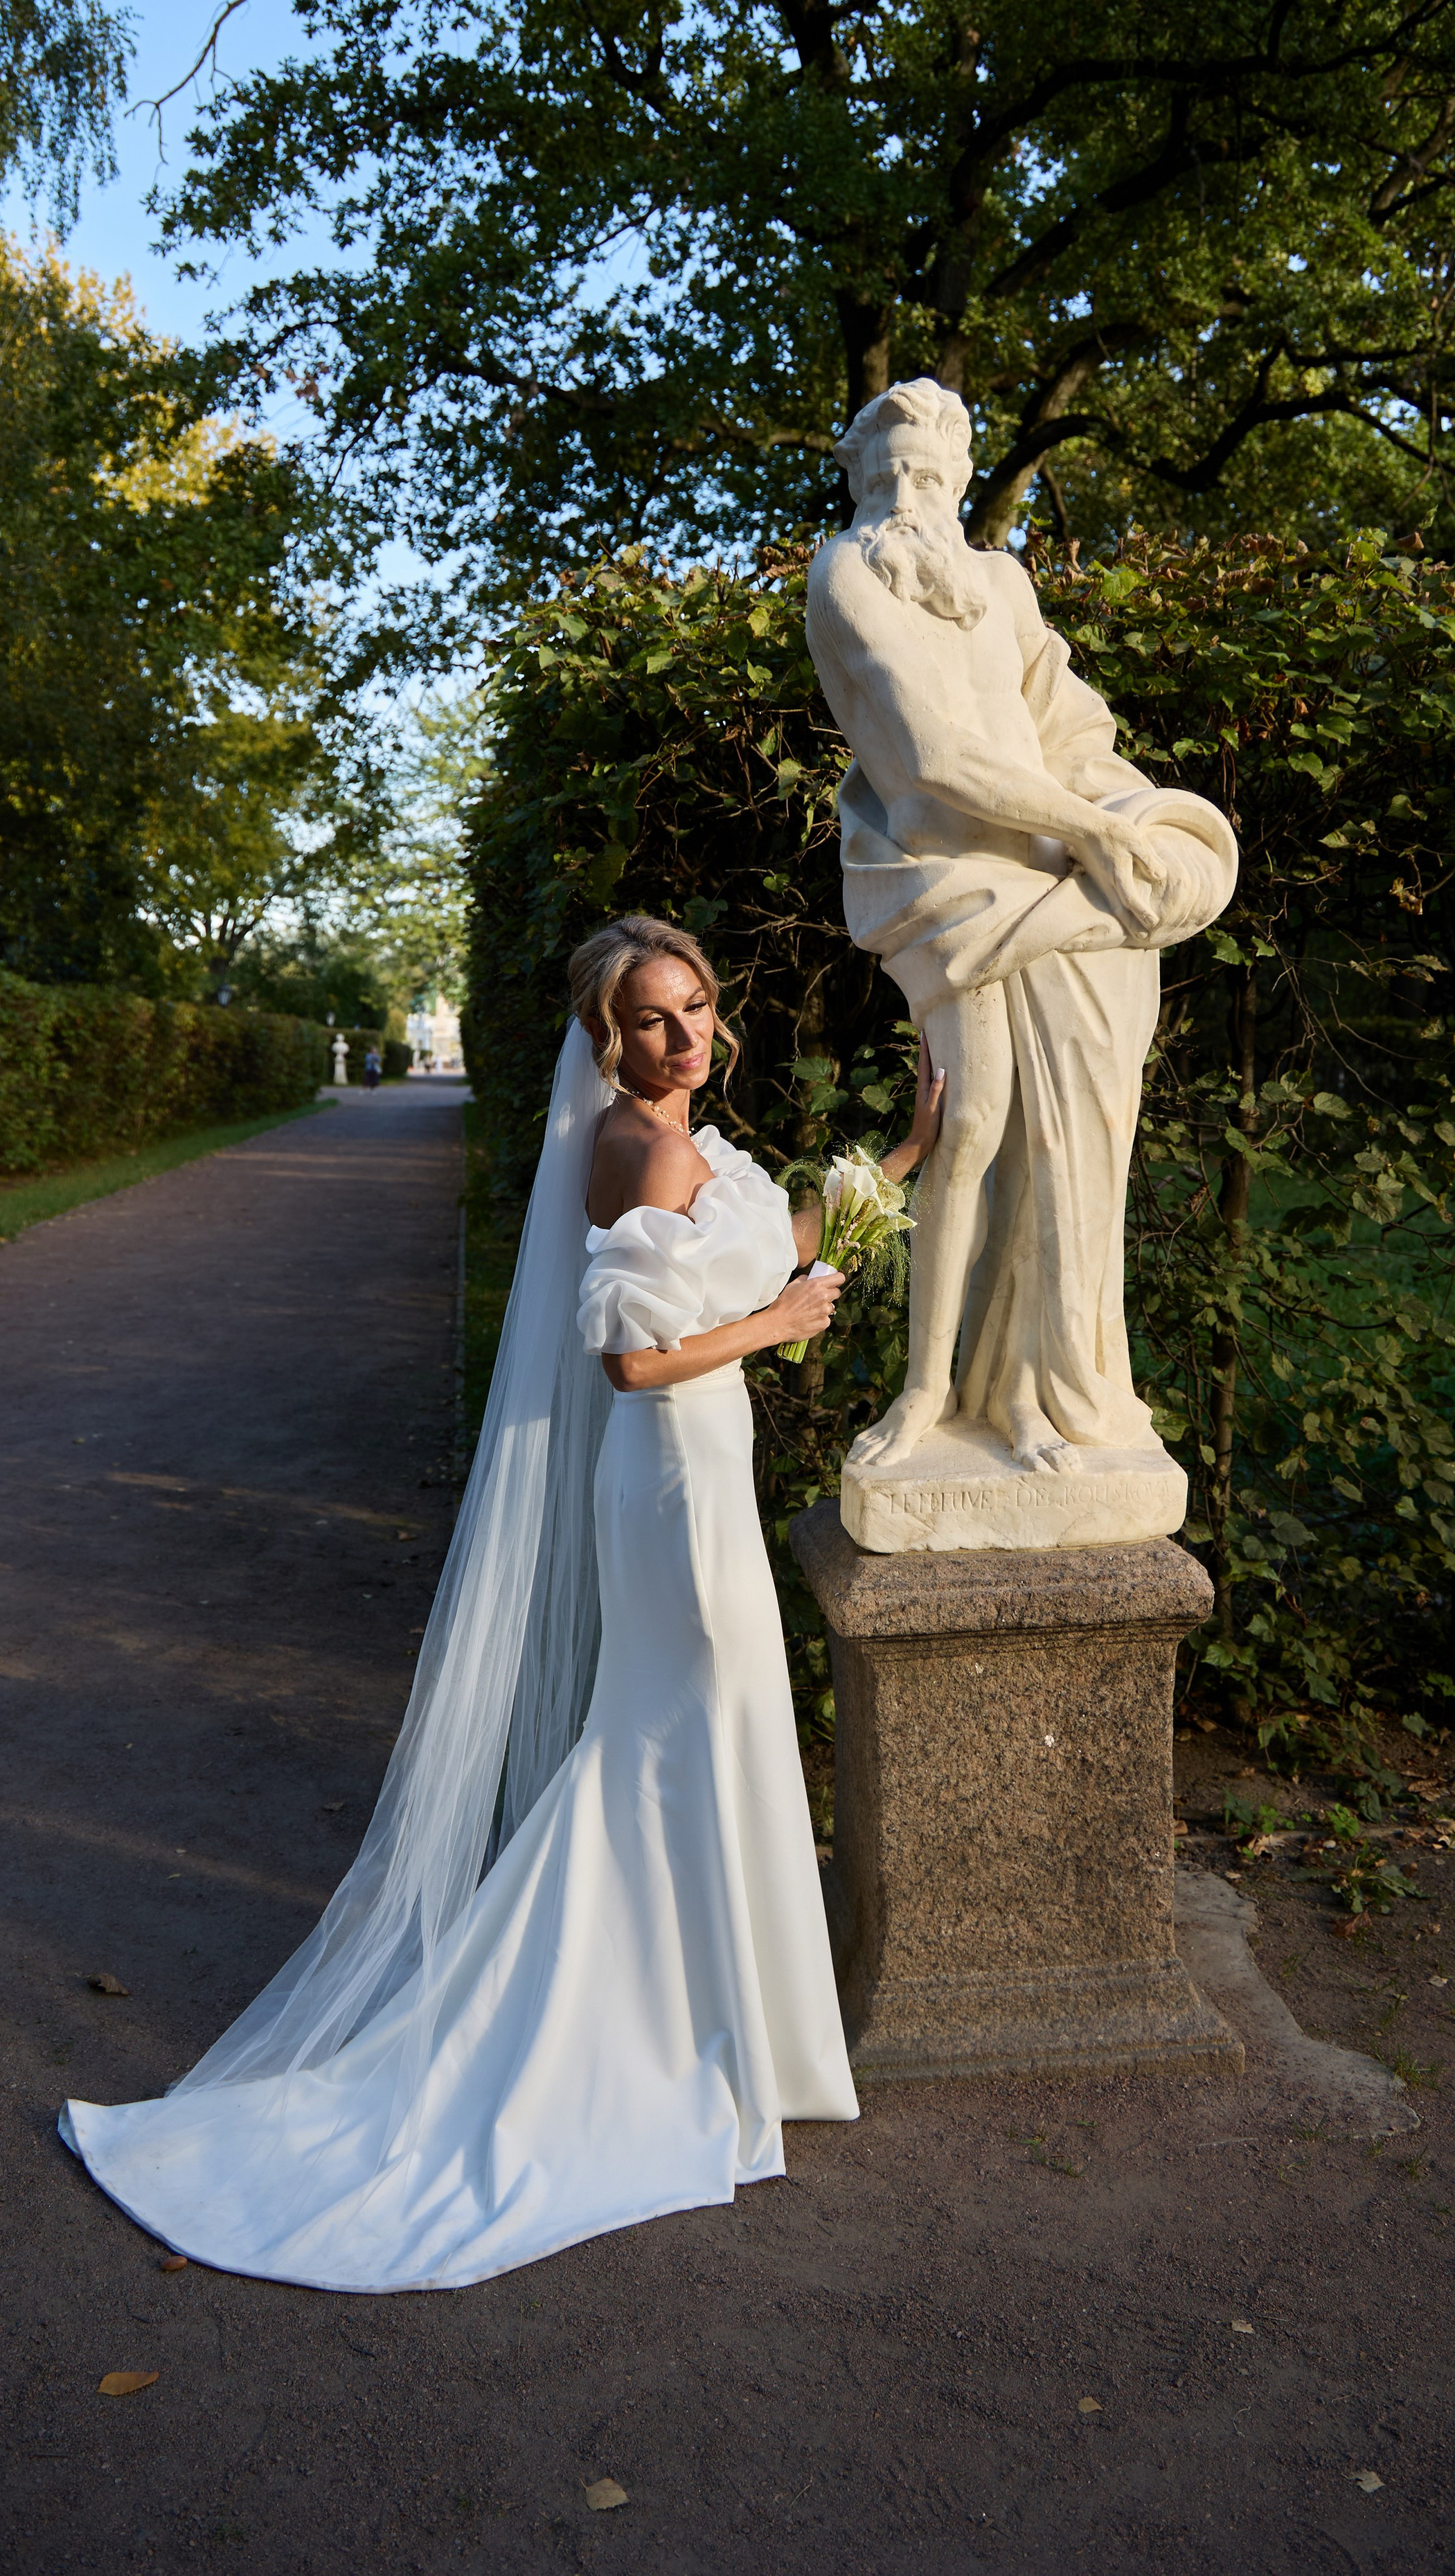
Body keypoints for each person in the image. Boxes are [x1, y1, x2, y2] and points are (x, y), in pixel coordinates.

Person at [58, 913, 943, 2292]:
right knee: (663, 1741)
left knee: (694, 1741)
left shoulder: (688, 1140)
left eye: (697, 1006)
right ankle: (617, 2033)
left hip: (705, 1474)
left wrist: (892, 1165)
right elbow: (630, 1363)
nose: (684, 1035)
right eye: (653, 1018)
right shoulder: (630, 1142)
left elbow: (768, 1244)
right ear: (607, 1038)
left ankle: (724, 2029)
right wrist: (773, 1330)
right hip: (664, 1478)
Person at [807, 378, 1235, 1474]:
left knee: (1057, 1143)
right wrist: (1094, 835)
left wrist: (1134, 823)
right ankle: (924, 1394)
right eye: (887, 473)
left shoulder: (1002, 583)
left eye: (930, 476)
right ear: (859, 483)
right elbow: (936, 756)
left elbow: (1065, 722)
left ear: (959, 487)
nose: (908, 493)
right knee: (977, 1118)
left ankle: (1023, 1390)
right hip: (945, 880)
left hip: (1050, 871)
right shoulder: (849, 573)